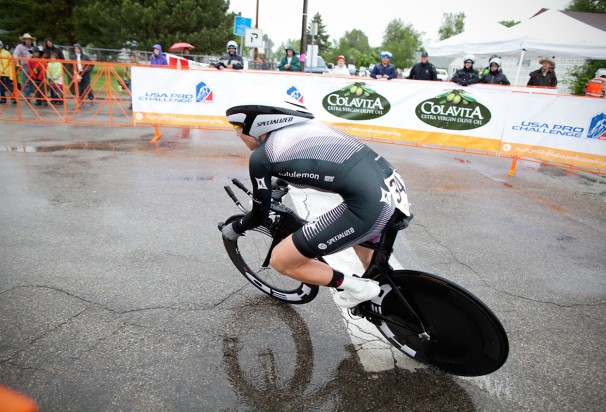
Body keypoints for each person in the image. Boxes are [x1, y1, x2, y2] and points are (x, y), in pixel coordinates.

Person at [221, 91, 411, 308]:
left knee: (281, 260)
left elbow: (259, 215)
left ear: (256, 124)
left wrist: (235, 228)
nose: (237, 134)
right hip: (391, 188)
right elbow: (312, 162)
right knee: (372, 264)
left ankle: (359, 288)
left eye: (238, 127)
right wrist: (280, 184)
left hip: (370, 206)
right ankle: (395, 305)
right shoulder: (306, 128)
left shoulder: (262, 157)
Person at [13, 33, 35, 98]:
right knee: (25, 81)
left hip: (34, 65)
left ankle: (35, 94)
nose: (28, 41)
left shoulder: (33, 47)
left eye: (29, 39)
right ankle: (27, 96)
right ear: (24, 40)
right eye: (26, 39)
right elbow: (15, 54)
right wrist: (17, 61)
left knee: (34, 80)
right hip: (25, 65)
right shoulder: (20, 47)